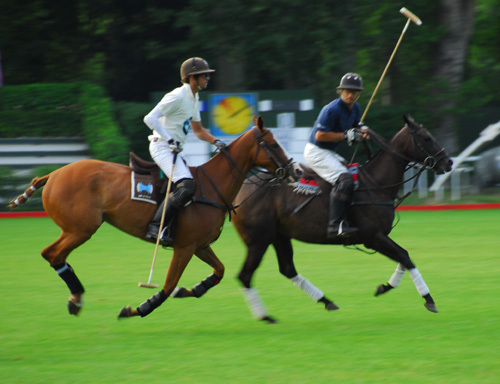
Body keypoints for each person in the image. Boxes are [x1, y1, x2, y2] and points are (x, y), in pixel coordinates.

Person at [143, 57, 227, 245]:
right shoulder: (178, 96)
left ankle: (174, 227)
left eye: (207, 75)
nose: (208, 78)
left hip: (174, 150)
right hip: (162, 146)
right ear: (192, 78)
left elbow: (198, 130)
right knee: (187, 185)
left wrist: (217, 141)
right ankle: (156, 227)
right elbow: (150, 118)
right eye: (204, 75)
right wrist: (170, 139)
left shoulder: (194, 98)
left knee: (190, 185)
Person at [303, 72, 369, 238]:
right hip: (316, 151)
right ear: (340, 91)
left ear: (358, 93)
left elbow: (356, 128)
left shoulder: (356, 109)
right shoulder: (331, 109)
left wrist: (362, 132)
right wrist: (346, 135)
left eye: (354, 92)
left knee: (354, 175)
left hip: (329, 152)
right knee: (344, 179)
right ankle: (335, 226)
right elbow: (320, 135)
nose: (350, 94)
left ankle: (348, 218)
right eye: (347, 90)